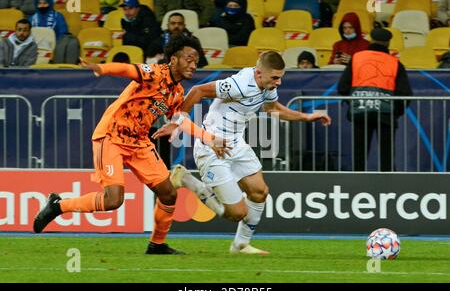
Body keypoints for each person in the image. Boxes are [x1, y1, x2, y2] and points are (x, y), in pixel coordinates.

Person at [32, 35, 227, 255]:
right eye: (189, 59)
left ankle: (157, 245)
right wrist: (102, 68)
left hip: (139, 142)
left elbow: (180, 120)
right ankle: (58, 206)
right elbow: (127, 69)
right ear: (174, 59)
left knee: (168, 194)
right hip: (112, 135)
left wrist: (209, 139)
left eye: (196, 61)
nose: (194, 65)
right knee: (113, 200)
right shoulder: (155, 73)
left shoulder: (177, 92)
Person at [153, 51, 332, 254]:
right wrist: (177, 121)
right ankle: (188, 181)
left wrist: (306, 117)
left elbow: (273, 108)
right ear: (258, 73)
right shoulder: (237, 85)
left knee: (260, 192)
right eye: (275, 77)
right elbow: (198, 90)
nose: (279, 82)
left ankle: (240, 245)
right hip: (212, 147)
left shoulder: (266, 86)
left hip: (236, 144)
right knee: (237, 213)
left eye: (280, 77)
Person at [337, 28, 413, 171]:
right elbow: (405, 93)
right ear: (388, 43)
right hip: (385, 114)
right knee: (387, 155)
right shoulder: (395, 63)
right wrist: (395, 111)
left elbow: (342, 87)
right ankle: (388, 188)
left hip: (360, 111)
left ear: (371, 40)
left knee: (359, 154)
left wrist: (354, 103)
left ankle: (357, 185)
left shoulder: (357, 58)